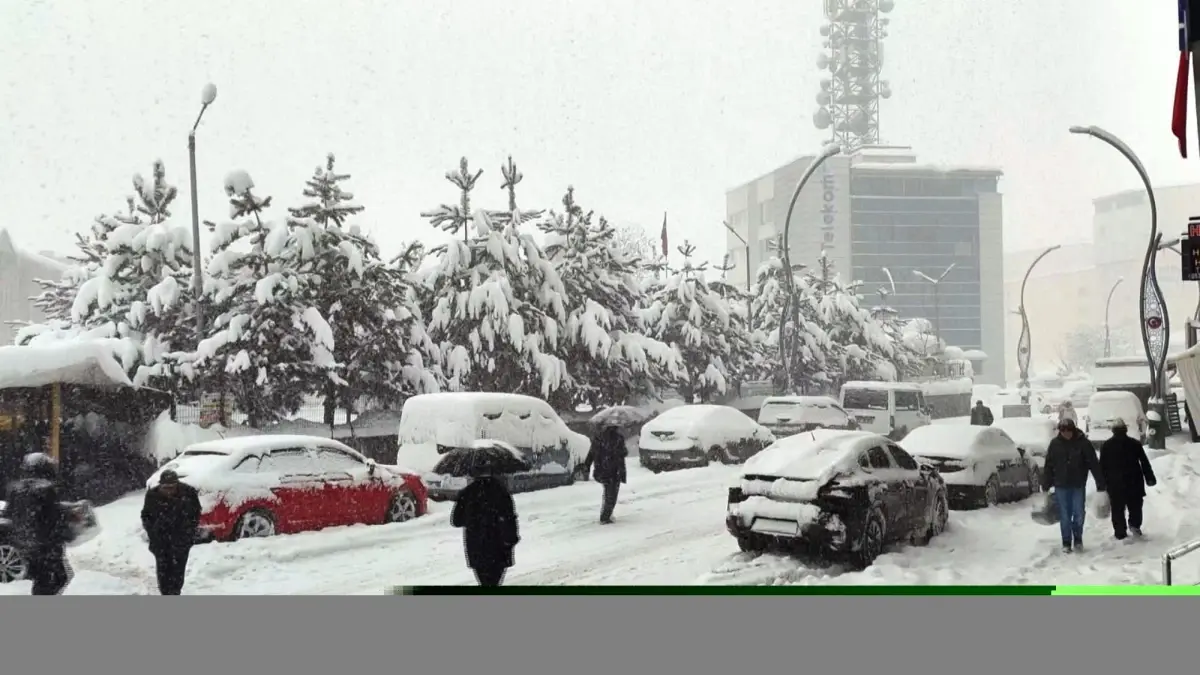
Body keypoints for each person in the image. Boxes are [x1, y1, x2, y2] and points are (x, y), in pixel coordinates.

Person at [3, 452, 74, 595]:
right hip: (46, 547)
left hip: (24, 545)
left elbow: (8, 514)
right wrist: (66, 532)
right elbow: (54, 518)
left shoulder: (15, 489)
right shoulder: (46, 489)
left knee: (43, 580)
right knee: (58, 578)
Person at [1042, 418, 1106, 553]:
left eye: (1068, 431)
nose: (1066, 433)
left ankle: (1077, 539)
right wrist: (1046, 483)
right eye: (1063, 431)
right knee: (1065, 515)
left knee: (1078, 514)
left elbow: (1093, 464)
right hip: (1061, 485)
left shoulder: (1083, 444)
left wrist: (1100, 483)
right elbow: (1049, 465)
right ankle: (1066, 542)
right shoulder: (1055, 444)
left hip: (1078, 485)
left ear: (1073, 430)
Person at [450, 471, 520, 587]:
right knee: (494, 583)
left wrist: (471, 517)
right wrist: (511, 540)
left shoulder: (468, 493)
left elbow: (456, 521)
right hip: (499, 548)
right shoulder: (501, 491)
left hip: (476, 548)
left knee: (484, 582)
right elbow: (510, 519)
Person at [141, 469, 202, 595]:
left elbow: (195, 514)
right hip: (161, 543)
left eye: (171, 487)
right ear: (160, 485)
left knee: (177, 576)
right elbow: (146, 516)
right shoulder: (153, 495)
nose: (168, 491)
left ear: (177, 485)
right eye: (165, 488)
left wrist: (188, 533)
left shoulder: (188, 493)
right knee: (163, 577)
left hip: (181, 542)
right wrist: (153, 533)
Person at [1097, 418, 1157, 541]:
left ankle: (1120, 532)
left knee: (1117, 509)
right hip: (1134, 481)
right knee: (1135, 507)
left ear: (1113, 431)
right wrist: (1150, 478)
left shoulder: (1107, 446)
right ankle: (1134, 525)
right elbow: (1144, 462)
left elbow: (1101, 466)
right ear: (1125, 429)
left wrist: (1101, 484)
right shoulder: (1134, 444)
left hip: (1115, 483)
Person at [586, 425, 628, 524]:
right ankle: (605, 516)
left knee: (607, 492)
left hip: (600, 470)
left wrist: (587, 465)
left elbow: (591, 453)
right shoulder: (618, 439)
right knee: (612, 495)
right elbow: (620, 454)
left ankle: (606, 512)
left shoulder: (598, 438)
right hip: (614, 471)